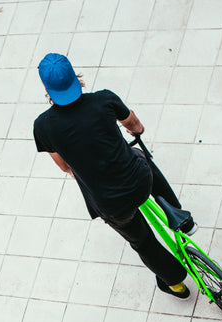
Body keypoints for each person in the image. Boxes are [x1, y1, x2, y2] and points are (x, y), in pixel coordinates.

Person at [33, 53, 196, 299]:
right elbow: (133, 123)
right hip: (140, 181)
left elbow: (65, 167)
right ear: (75, 77)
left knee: (143, 242)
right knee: (139, 155)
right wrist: (138, 130)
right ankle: (180, 216)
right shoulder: (104, 100)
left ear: (47, 88)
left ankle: (175, 283)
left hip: (111, 205)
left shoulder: (43, 126)